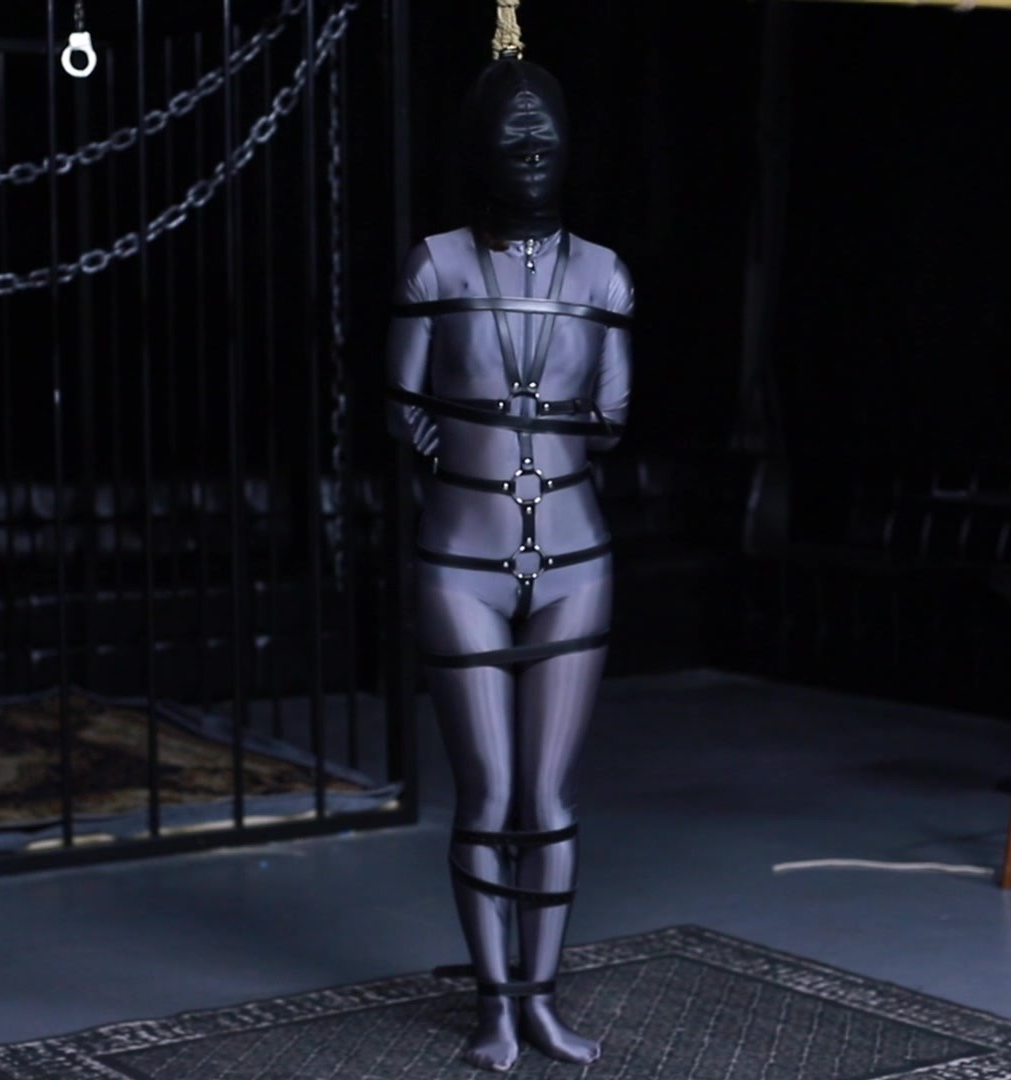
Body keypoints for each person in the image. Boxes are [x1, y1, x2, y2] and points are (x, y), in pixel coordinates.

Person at [385, 55, 632, 1072]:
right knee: (486, 794)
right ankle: (496, 1008)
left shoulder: (604, 273)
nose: (530, 146)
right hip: (462, 561)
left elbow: (613, 415)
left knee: (549, 800)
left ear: (570, 148)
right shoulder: (434, 266)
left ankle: (541, 1005)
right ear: (476, 148)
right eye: (511, 130)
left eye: (546, 130)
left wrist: (523, 433)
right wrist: (474, 450)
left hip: (576, 560)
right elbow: (402, 406)